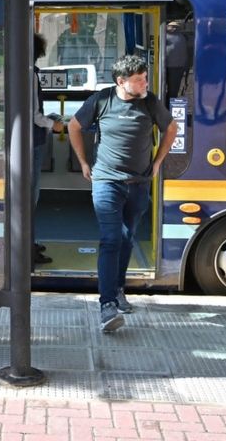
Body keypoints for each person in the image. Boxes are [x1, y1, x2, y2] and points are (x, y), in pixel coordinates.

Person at [68, 54, 177, 333]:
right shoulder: (102, 100)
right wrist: (83, 162)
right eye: (139, 80)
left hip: (139, 183)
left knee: (128, 238)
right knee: (110, 239)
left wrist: (157, 163)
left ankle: (117, 289)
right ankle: (107, 306)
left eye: (144, 78)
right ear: (121, 82)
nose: (144, 83)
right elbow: (74, 126)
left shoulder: (150, 102)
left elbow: (171, 128)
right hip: (106, 181)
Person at [32, 33, 64, 265]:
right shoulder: (30, 74)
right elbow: (33, 114)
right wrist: (54, 124)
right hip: (31, 142)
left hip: (31, 140)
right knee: (30, 196)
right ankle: (28, 247)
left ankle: (29, 242)